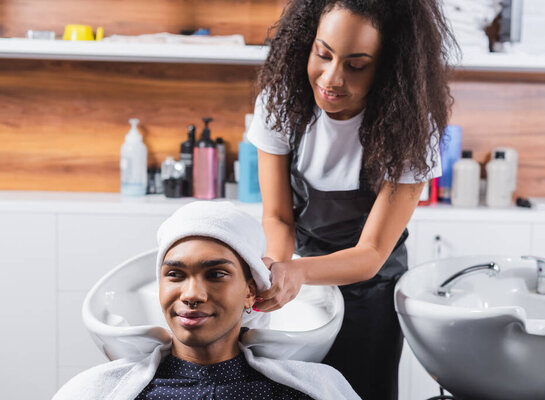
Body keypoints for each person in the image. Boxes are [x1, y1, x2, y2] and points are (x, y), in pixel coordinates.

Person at [248, 1, 456, 399]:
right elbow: (277, 217)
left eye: (356, 65)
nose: (331, 78)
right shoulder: (280, 104)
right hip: (303, 286)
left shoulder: (411, 129)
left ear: (389, 67)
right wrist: (276, 267)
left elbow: (372, 251)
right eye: (322, 54)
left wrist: (298, 271)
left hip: (371, 292)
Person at [53, 202, 360, 400]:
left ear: (251, 292)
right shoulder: (98, 391)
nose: (191, 294)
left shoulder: (304, 393)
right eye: (175, 274)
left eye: (216, 275)